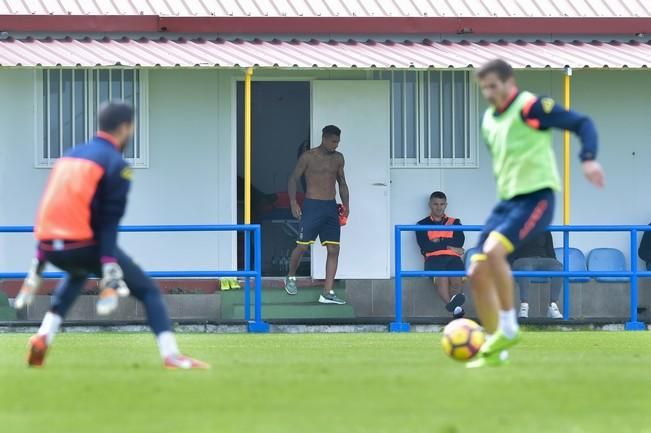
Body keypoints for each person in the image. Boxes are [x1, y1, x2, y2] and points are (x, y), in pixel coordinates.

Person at [14, 101, 208, 370]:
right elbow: (109, 221)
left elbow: (51, 203)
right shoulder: (116, 164)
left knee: (76, 274)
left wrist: (41, 254)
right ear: (126, 127)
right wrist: (107, 262)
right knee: (149, 291)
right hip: (85, 244)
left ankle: (44, 336)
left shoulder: (70, 155)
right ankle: (171, 355)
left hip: (48, 247)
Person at [466, 59, 605, 368]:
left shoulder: (531, 108)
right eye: (483, 88)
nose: (489, 93)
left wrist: (588, 159)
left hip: (536, 198)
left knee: (493, 250)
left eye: (493, 86)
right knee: (477, 269)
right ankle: (496, 347)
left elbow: (583, 124)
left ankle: (509, 327)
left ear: (508, 82)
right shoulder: (488, 120)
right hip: (507, 204)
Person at [285, 125, 349, 305]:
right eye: (333, 141)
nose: (335, 145)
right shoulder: (308, 156)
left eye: (338, 142)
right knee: (303, 245)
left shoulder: (338, 158)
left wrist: (346, 205)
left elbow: (342, 183)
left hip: (330, 206)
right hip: (312, 205)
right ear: (324, 138)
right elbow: (293, 179)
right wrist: (293, 202)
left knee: (334, 248)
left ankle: (327, 292)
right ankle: (290, 277)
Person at [416, 191, 466, 318]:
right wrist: (449, 245)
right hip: (433, 258)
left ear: (446, 205)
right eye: (435, 204)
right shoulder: (421, 224)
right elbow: (425, 246)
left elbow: (459, 241)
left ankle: (455, 310)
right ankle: (456, 309)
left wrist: (439, 241)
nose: (439, 207)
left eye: (442, 204)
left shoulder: (455, 222)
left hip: (453, 258)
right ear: (430, 205)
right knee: (442, 279)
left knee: (457, 280)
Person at [509, 231, 563, 319]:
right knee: (525, 269)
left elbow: (550, 250)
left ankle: (553, 305)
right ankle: (524, 305)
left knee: (558, 269)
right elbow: (510, 251)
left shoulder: (544, 229)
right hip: (523, 259)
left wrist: (554, 263)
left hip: (543, 259)